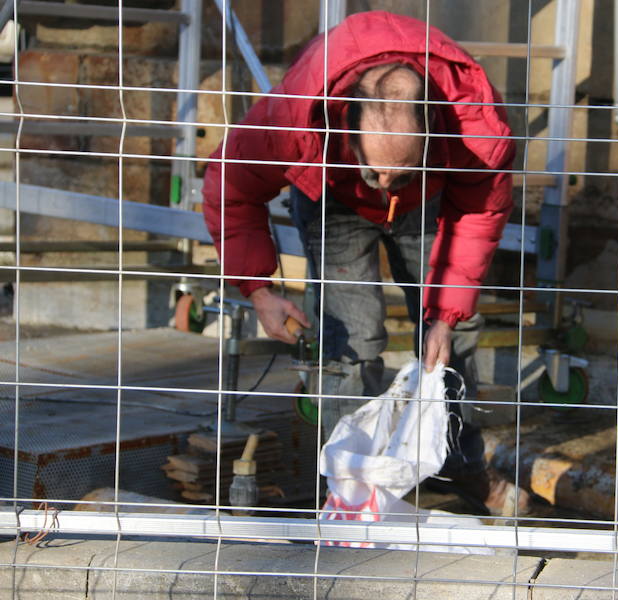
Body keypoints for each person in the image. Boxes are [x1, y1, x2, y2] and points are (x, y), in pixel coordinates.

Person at [202, 11, 527, 515]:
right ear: (344, 124)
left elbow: (480, 215)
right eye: (377, 172)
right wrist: (258, 290)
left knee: (452, 342)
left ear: (431, 124)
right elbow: (230, 185)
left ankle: (461, 470)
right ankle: (349, 488)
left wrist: (444, 316)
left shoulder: (476, 126)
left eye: (400, 171)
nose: (387, 188)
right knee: (350, 340)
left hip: (433, 195)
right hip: (334, 195)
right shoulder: (294, 119)